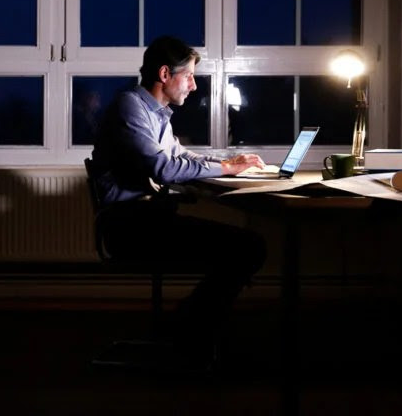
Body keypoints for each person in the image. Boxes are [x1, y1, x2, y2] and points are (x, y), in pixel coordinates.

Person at [87, 35, 267, 366]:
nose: (194, 86)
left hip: (145, 218)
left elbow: (178, 155)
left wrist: (227, 163)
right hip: (129, 227)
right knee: (249, 248)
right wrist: (225, 168)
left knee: (247, 246)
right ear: (165, 74)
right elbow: (164, 167)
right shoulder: (131, 106)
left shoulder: (155, 113)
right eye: (189, 76)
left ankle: (187, 326)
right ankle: (189, 330)